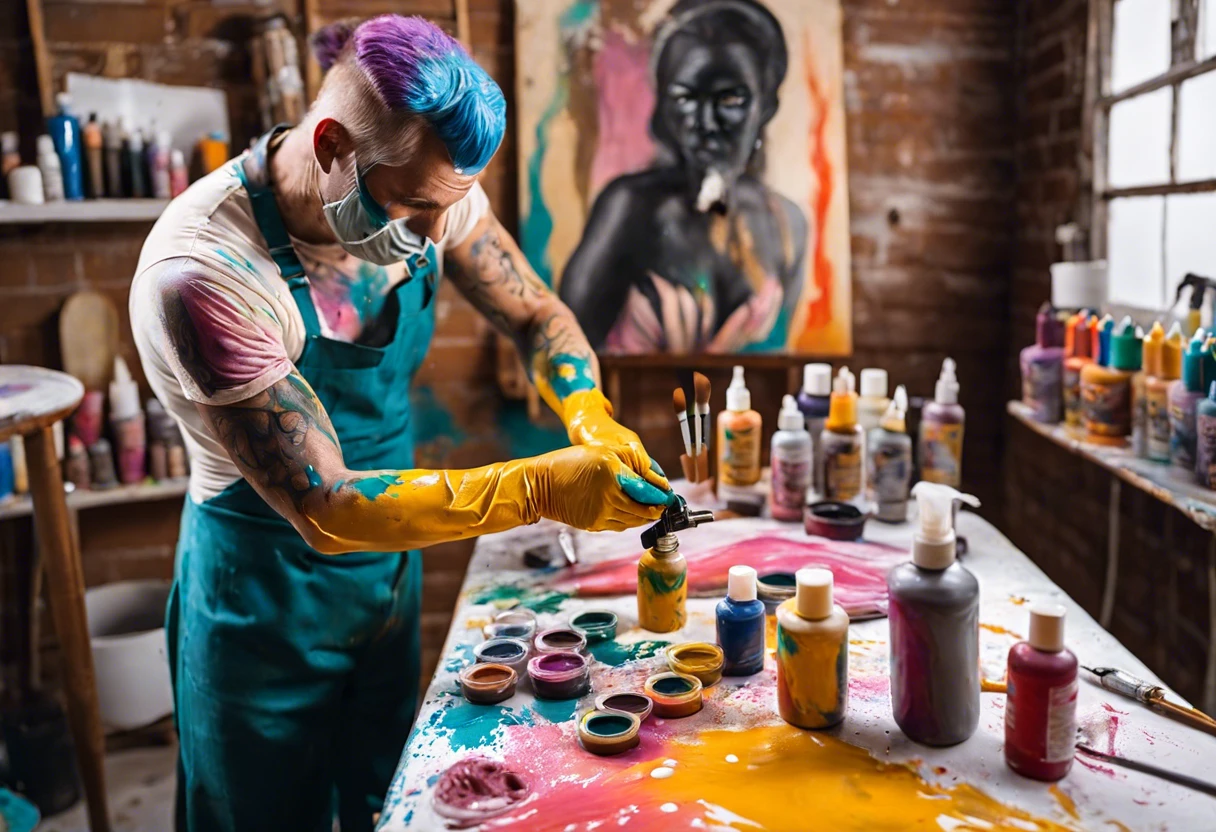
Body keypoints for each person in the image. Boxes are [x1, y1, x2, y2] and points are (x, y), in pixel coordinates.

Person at [129, 15, 671, 832]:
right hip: (263, 588)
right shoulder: (206, 274)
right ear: (331, 146)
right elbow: (330, 505)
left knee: (395, 797)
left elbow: (534, 316)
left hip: (389, 569)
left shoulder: (430, 187)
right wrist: (536, 485)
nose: (429, 238)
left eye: (440, 212)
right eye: (413, 209)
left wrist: (588, 416)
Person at [558, 0, 808, 354]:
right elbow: (563, 354)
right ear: (665, 108)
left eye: (731, 99)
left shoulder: (787, 225)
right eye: (686, 97)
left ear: (766, 107)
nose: (705, 123)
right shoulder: (629, 208)